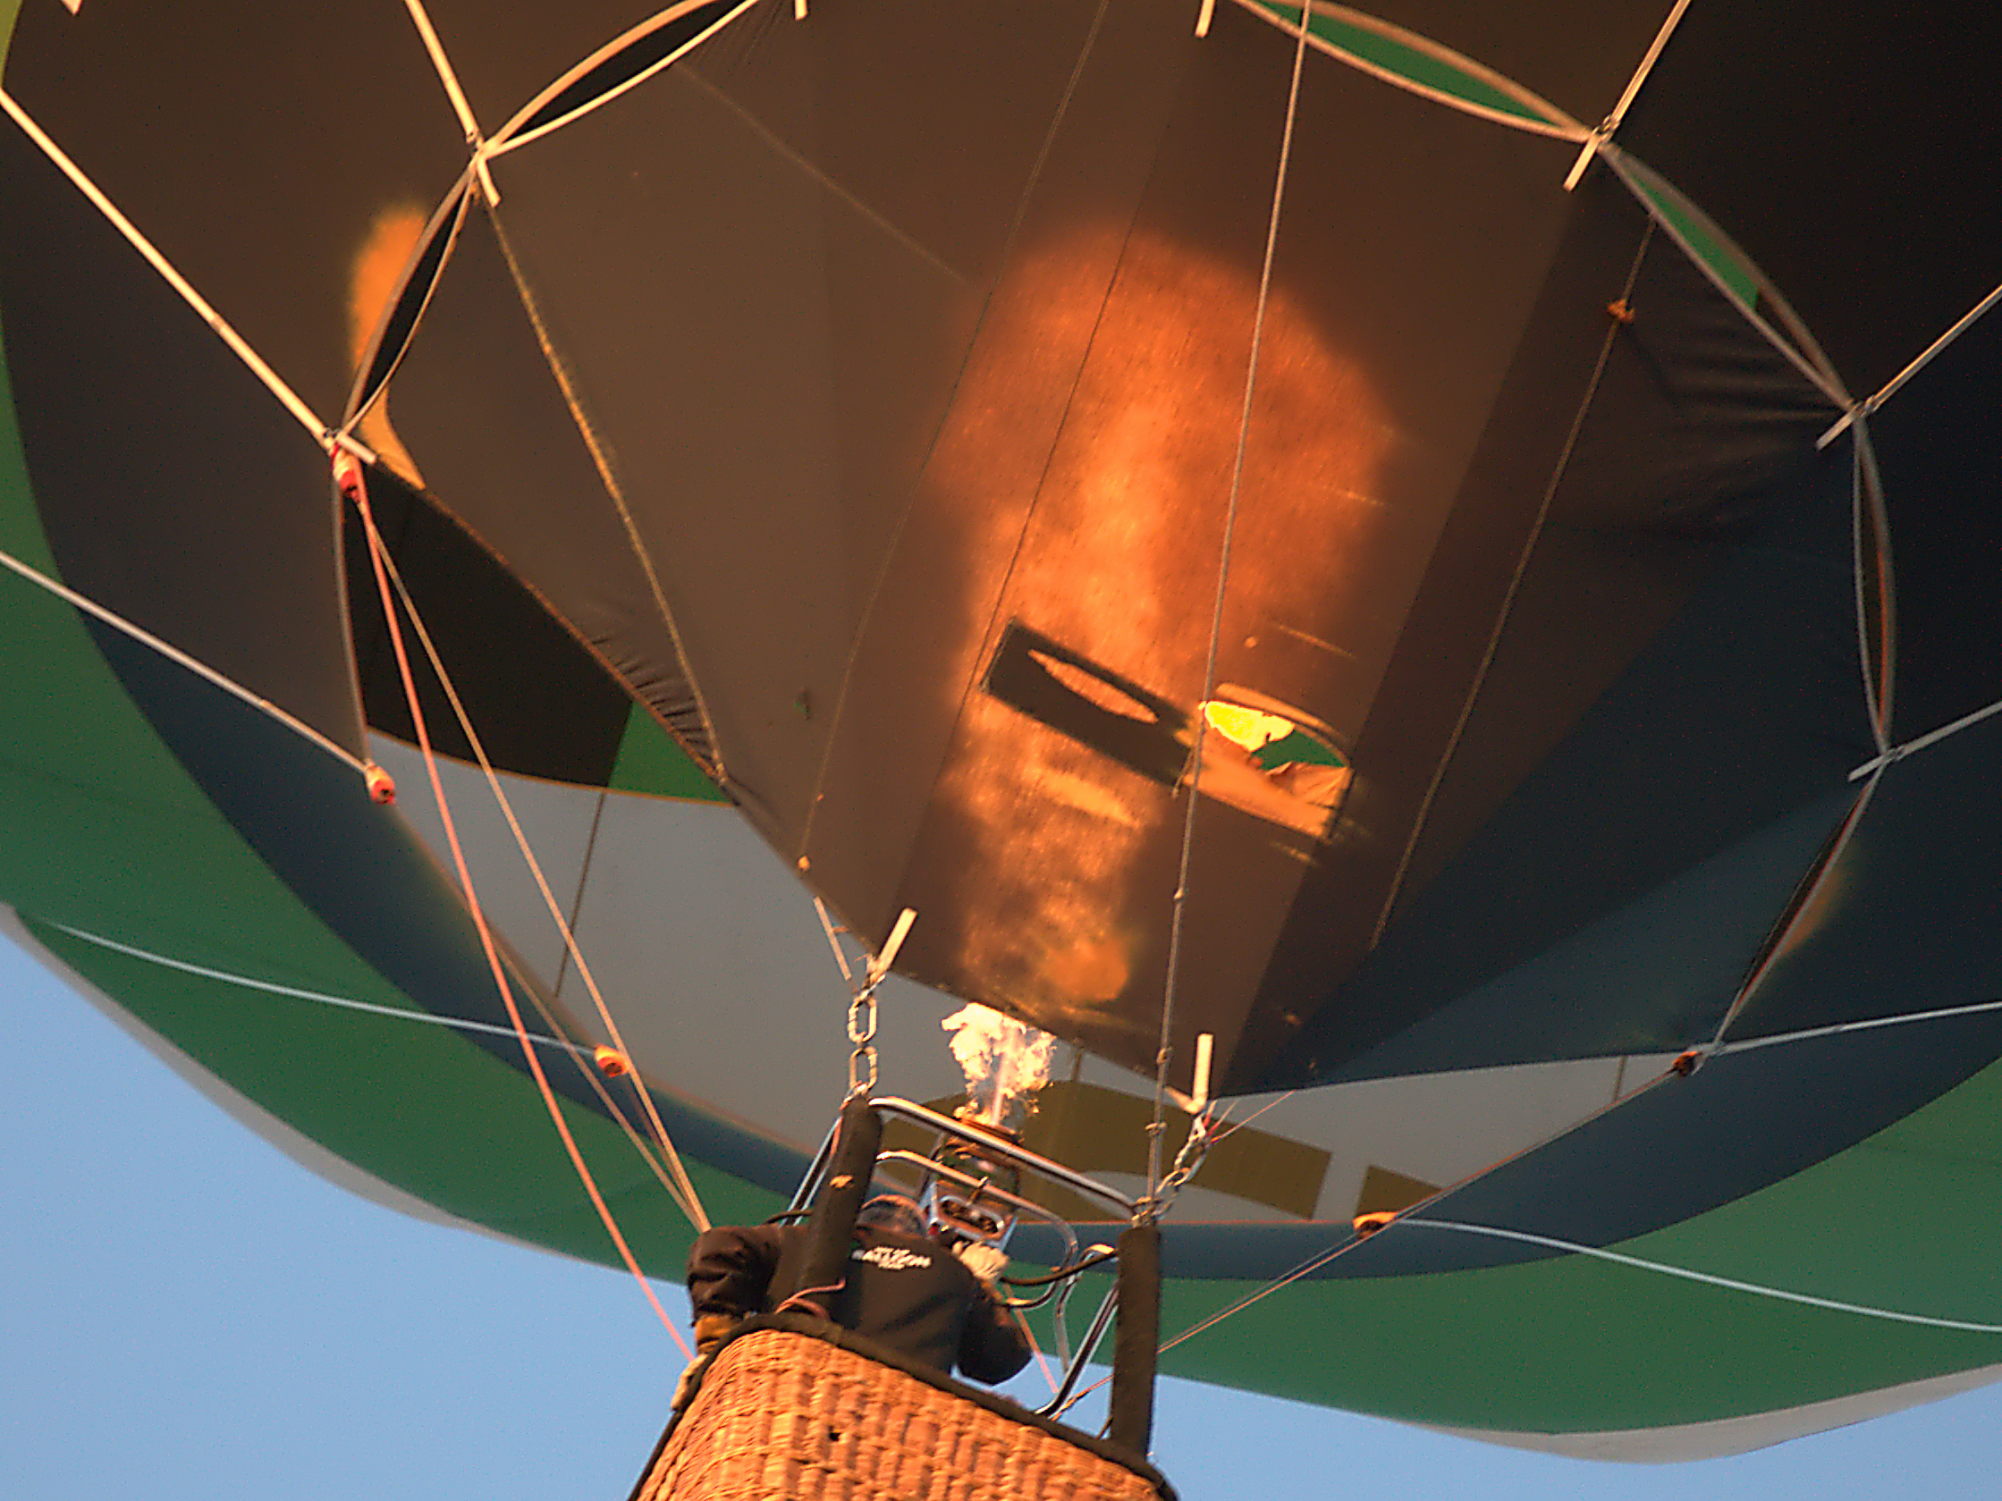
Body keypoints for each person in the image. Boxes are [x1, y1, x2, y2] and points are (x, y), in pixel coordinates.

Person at [679, 1194, 1030, 1399]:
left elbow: (717, 1246)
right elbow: (1000, 1361)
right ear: (921, 1237)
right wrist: (980, 1285)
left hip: (787, 1399)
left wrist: (716, 1344)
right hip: (903, 1427)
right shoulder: (953, 1273)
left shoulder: (803, 1242)